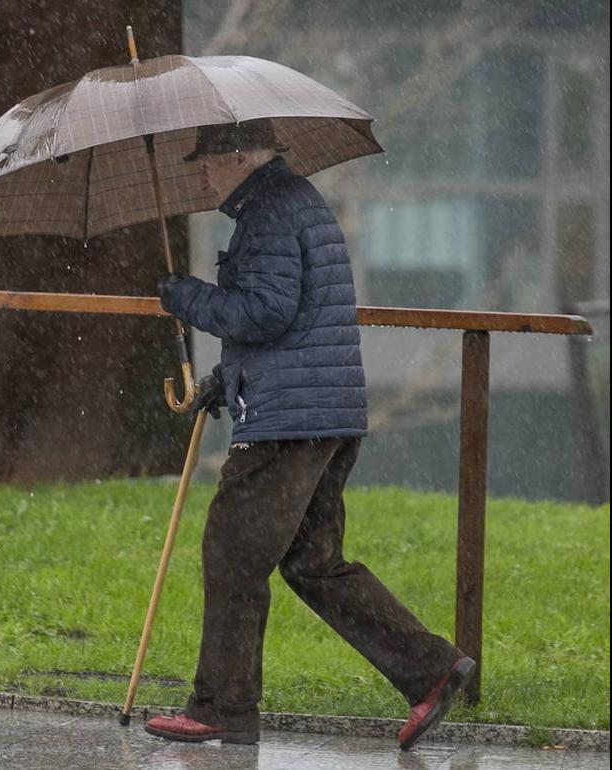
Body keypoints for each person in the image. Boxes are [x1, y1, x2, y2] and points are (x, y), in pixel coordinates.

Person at [145, 120, 475, 751]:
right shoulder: (294, 202)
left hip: (288, 423)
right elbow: (297, 320)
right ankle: (431, 669)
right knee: (313, 562)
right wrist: (225, 376)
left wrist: (185, 298)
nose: (204, 175)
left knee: (233, 552)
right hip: (326, 412)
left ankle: (221, 708)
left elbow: (265, 311)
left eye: (209, 161)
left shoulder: (267, 213)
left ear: (241, 156)